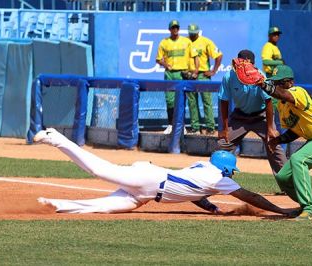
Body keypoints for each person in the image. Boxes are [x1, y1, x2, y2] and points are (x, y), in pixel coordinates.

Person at [34, 128, 296, 217]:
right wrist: (282, 211)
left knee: (104, 207)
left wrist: (211, 208)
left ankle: (54, 205)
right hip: (149, 179)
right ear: (226, 168)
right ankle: (56, 138)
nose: (233, 174)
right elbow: (251, 197)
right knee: (98, 170)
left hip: (146, 192)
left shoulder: (205, 171)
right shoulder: (218, 179)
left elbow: (194, 193)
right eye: (232, 170)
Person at [261, 65, 312, 220]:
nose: (277, 86)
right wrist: (277, 140)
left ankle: (310, 209)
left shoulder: (298, 92)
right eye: (275, 83)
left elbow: (283, 94)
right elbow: (294, 131)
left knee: (298, 159)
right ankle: (309, 204)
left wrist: (263, 84)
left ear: (290, 83)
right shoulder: (281, 105)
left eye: (280, 83)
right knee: (283, 178)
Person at [218, 49, 287, 177]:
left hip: (261, 116)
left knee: (274, 145)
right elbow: (224, 101)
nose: (239, 66)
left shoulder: (260, 76)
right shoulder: (229, 76)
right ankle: (219, 181)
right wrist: (225, 128)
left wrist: (271, 128)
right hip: (240, 116)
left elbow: (268, 101)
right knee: (223, 144)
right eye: (239, 63)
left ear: (252, 64)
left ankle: (288, 184)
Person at [156, 20, 199, 134]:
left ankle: (182, 125)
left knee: (181, 100)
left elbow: (195, 56)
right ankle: (170, 125)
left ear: (179, 29)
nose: (175, 30)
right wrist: (165, 64)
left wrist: (195, 70)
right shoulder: (164, 42)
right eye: (173, 28)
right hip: (170, 74)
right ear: (169, 29)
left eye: (176, 27)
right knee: (169, 100)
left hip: (182, 73)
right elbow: (158, 59)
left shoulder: (186, 41)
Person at [186, 23, 223, 135]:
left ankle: (210, 128)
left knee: (207, 102)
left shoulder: (206, 41)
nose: (192, 35)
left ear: (198, 32)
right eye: (191, 33)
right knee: (192, 102)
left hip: (203, 75)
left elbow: (219, 55)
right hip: (189, 75)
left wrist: (214, 71)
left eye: (194, 33)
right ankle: (195, 127)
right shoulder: (186, 42)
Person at [261, 26, 286, 150]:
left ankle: (275, 139)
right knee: (272, 107)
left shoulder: (275, 47)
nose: (277, 36)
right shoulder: (268, 46)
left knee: (277, 107)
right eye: (274, 34)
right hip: (270, 78)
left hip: (276, 79)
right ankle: (272, 137)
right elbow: (265, 61)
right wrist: (279, 63)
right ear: (270, 35)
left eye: (278, 34)